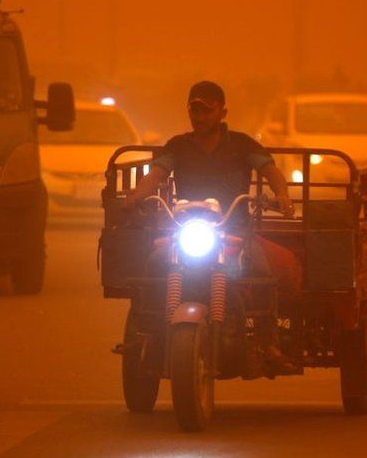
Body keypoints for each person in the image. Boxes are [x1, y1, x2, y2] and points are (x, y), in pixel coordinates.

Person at [122, 80, 298, 370]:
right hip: (185, 230)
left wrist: (282, 194)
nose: (199, 116)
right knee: (153, 265)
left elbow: (271, 171)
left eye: (206, 110)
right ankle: (146, 334)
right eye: (194, 110)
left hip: (235, 231)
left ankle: (268, 343)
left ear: (222, 112)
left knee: (262, 272)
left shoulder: (242, 145)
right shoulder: (178, 146)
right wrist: (136, 196)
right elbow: (155, 174)